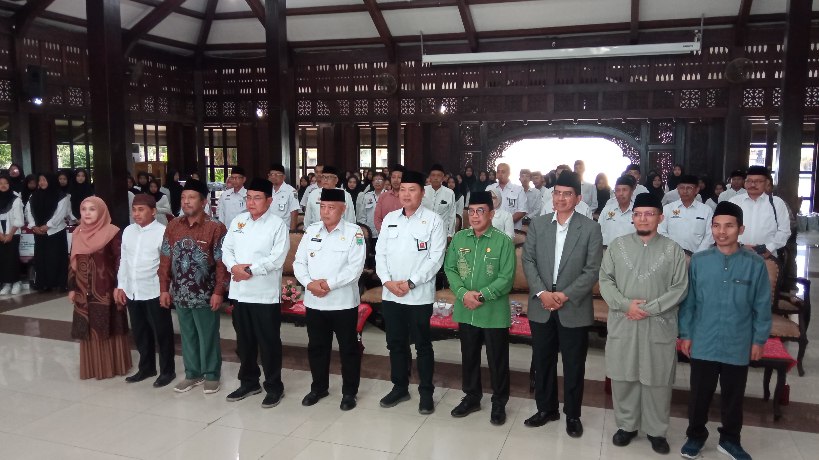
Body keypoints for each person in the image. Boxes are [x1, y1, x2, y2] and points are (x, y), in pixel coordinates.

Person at [678, 201, 772, 460]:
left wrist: (759, 340)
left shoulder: (754, 264)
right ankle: (695, 436)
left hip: (738, 341)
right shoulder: (699, 261)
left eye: (729, 226)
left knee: (733, 396)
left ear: (741, 229)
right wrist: (685, 334)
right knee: (699, 394)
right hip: (704, 339)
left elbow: (762, 306)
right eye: (717, 226)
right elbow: (689, 302)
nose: (722, 232)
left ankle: (730, 440)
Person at [598, 193, 689, 455]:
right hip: (624, 321)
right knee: (623, 375)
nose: (643, 218)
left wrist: (648, 309)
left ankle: (656, 430)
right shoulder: (616, 246)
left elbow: (679, 288)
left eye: (649, 214)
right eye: (638, 214)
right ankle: (626, 426)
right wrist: (627, 305)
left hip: (658, 324)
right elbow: (605, 281)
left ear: (661, 218)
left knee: (657, 378)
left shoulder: (673, 250)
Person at [521, 172, 603, 438]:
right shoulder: (539, 224)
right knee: (543, 361)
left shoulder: (590, 228)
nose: (561, 198)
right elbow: (529, 262)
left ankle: (573, 414)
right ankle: (546, 409)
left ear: (578, 198)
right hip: (541, 305)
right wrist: (543, 293)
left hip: (573, 307)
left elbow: (592, 270)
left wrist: (565, 295)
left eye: (567, 194)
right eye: (557, 193)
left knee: (574, 364)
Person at [376, 170, 446, 414]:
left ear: (422, 193)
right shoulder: (390, 219)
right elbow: (380, 253)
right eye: (402, 189)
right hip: (391, 294)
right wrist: (387, 281)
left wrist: (411, 283)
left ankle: (426, 392)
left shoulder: (434, 220)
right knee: (395, 343)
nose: (406, 194)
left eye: (412, 189)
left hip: (418, 296)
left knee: (423, 346)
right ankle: (400, 387)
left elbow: (436, 258)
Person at [444, 191, 516, 426]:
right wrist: (464, 294)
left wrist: (481, 296)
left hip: (493, 311)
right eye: (471, 211)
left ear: (491, 214)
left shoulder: (503, 241)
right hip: (466, 309)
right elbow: (450, 269)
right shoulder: (460, 238)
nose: (474, 216)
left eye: (480, 211)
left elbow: (506, 278)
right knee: (469, 355)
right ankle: (472, 397)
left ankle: (499, 402)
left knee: (497, 359)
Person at [293, 188, 366, 411]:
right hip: (315, 302)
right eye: (322, 206)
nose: (325, 212)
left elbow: (355, 269)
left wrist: (327, 285)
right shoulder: (311, 231)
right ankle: (319, 387)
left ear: (343, 209)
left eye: (331, 207)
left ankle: (349, 392)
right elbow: (299, 263)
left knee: (348, 349)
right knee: (317, 347)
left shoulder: (355, 233)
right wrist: (309, 283)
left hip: (343, 303)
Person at [222, 178, 289, 408]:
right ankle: (249, 381)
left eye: (257, 198)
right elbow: (226, 248)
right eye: (249, 197)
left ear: (269, 201)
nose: (251, 202)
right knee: (244, 342)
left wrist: (249, 270)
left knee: (269, 343)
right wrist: (233, 267)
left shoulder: (277, 225)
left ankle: (274, 386)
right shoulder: (239, 221)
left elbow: (277, 258)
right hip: (240, 293)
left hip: (264, 295)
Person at [159, 178, 229, 394]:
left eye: (191, 197)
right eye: (183, 197)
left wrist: (219, 291)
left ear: (204, 201)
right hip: (180, 293)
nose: (186, 202)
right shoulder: (173, 226)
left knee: (207, 334)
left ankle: (211, 374)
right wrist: (164, 288)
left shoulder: (215, 228)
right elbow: (165, 259)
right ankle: (192, 373)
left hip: (205, 294)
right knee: (187, 334)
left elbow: (221, 264)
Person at [114, 194, 175, 388]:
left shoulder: (163, 232)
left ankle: (167, 371)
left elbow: (167, 265)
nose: (136, 214)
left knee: (162, 332)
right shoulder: (128, 231)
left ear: (153, 211)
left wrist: (166, 289)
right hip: (133, 289)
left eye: (141, 210)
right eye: (134, 210)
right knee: (140, 331)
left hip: (154, 289)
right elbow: (124, 260)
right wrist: (121, 285)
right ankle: (147, 367)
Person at [68, 196, 131, 380]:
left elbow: (121, 261)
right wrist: (72, 287)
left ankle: (112, 366)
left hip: (105, 288)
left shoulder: (112, 232)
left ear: (101, 211)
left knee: (107, 325)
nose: (87, 213)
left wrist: (120, 286)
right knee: (87, 327)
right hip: (82, 289)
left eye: (92, 209)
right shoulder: (78, 233)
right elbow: (72, 261)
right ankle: (92, 367)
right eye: (84, 209)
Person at [728, 166, 789, 260]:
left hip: (767, 257)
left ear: (767, 183)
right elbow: (726, 227)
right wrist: (738, 246)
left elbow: (784, 231)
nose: (752, 184)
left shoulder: (776, 203)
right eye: (749, 181)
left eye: (758, 181)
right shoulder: (733, 202)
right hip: (737, 254)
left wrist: (769, 248)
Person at [27, 173, 71, 291]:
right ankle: (43, 284)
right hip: (39, 233)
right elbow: (28, 212)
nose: (42, 182)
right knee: (41, 259)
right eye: (40, 180)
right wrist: (34, 226)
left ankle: (60, 284)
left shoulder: (61, 196)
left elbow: (60, 214)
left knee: (56, 258)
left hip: (56, 232)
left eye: (44, 180)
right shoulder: (33, 196)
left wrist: (48, 226)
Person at [659, 174, 715, 254]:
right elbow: (661, 231)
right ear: (678, 189)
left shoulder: (706, 210)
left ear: (697, 190)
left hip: (698, 257)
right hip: (672, 256)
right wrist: (676, 252)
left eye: (689, 188)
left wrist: (697, 255)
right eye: (681, 188)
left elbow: (710, 235)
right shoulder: (667, 209)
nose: (685, 191)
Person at [0, 175, 24, 295]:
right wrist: (1, 234)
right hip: (0, 234)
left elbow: (19, 219)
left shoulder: (16, 200)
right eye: (1, 183)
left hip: (13, 233)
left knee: (12, 258)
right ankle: (6, 283)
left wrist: (9, 234)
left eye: (6, 183)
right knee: (3, 259)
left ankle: (16, 282)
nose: (3, 186)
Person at [485, 163, 527, 230]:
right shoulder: (490, 188)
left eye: (503, 172)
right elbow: (484, 207)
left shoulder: (518, 189)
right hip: (492, 229)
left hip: (513, 230)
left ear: (509, 173)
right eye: (498, 171)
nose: (500, 174)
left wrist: (505, 223)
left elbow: (522, 211)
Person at [598, 175, 636, 246]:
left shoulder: (637, 212)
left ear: (631, 192)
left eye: (624, 190)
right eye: (618, 190)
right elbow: (598, 231)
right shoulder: (607, 209)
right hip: (607, 251)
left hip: (631, 253)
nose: (621, 194)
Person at [421, 164, 457, 237]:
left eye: (438, 175)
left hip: (441, 232)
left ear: (443, 178)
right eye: (433, 175)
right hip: (424, 230)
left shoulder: (449, 193)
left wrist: (450, 234)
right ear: (429, 177)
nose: (436, 178)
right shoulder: (423, 191)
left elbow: (452, 215)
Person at [267, 164, 301, 230]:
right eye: (271, 174)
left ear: (284, 177)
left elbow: (294, 213)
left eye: (276, 175)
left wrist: (292, 233)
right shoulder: (266, 190)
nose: (273, 177)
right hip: (268, 229)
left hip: (283, 229)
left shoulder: (291, 191)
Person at [356, 171, 386, 238]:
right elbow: (362, 215)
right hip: (370, 232)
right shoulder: (367, 196)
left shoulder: (388, 196)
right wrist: (364, 229)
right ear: (372, 182)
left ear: (384, 182)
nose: (377, 182)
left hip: (385, 232)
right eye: (375, 180)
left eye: (380, 180)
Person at [374, 165, 404, 232]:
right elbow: (377, 219)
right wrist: (385, 233)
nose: (396, 180)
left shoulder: (408, 197)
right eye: (393, 177)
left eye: (399, 177)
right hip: (385, 235)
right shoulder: (383, 196)